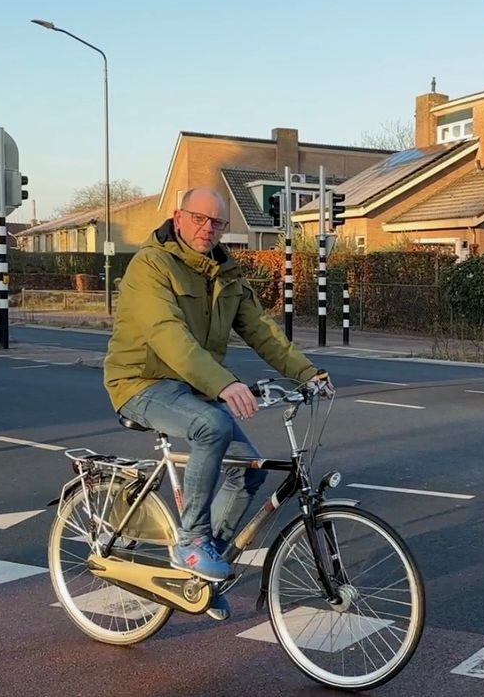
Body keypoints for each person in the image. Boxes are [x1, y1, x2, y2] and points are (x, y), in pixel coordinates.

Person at [103, 188, 333, 618]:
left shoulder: (226, 272)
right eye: (199, 218)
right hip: (141, 383)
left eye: (217, 222)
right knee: (213, 425)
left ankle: (205, 573)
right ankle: (192, 541)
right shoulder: (151, 265)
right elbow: (167, 334)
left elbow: (261, 329)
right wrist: (224, 384)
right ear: (178, 217)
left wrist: (308, 373)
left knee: (249, 470)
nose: (208, 228)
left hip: (193, 387)